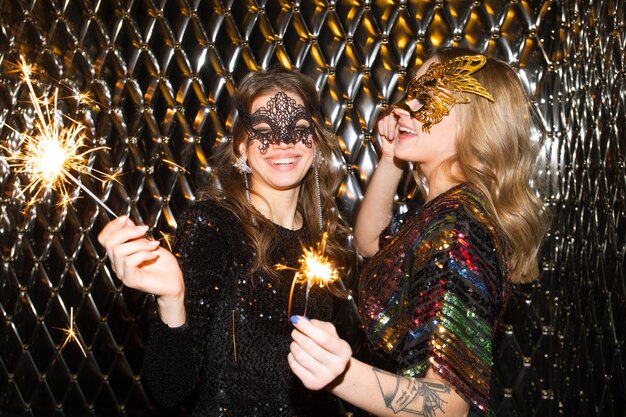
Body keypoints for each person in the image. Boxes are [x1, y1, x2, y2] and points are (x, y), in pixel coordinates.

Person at [287, 47, 549, 417]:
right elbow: (369, 244)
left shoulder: (459, 225)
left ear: (474, 119)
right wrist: (391, 159)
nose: (403, 106)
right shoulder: (441, 210)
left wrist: (339, 374)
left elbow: (448, 406)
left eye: (426, 96)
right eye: (411, 91)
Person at [98, 67, 356, 416]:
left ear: (317, 143)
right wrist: (172, 300)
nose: (283, 142)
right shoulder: (214, 225)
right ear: (241, 148)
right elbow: (169, 389)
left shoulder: (325, 239)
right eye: (264, 131)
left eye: (299, 130)